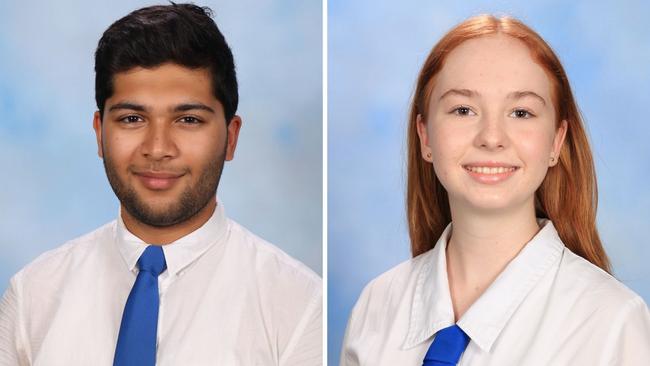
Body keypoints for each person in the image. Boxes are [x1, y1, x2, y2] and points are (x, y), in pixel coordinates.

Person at [0, 4, 321, 365]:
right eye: (132, 118)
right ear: (99, 133)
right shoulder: (33, 296)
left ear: (230, 138)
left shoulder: (299, 307)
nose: (157, 148)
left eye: (188, 119)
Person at [340, 14, 650, 365]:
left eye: (520, 112)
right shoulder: (376, 308)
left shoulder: (612, 325)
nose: (491, 137)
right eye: (463, 110)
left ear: (556, 141)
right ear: (425, 137)